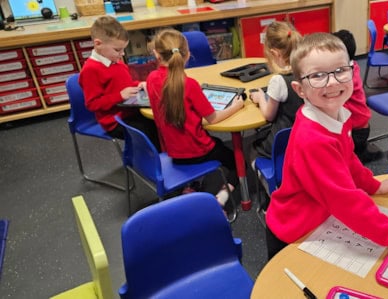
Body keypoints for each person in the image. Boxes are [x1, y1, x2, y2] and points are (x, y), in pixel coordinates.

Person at [265, 32, 388, 259]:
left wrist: (371, 185)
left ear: (353, 70)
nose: (332, 82)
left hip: (320, 219)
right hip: (294, 232)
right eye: (318, 75)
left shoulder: (338, 114)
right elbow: (346, 202)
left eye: (340, 71)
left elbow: (348, 159)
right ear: (300, 90)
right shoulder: (314, 140)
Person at [145, 29, 243, 207]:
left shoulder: (151, 79)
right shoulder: (189, 85)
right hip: (199, 151)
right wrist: (236, 106)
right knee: (237, 161)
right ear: (187, 54)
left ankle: (190, 185)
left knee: (211, 147)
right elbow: (212, 118)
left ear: (156, 54)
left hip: (172, 152)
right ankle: (221, 198)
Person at [79, 16, 160, 150]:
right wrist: (120, 96)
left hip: (130, 109)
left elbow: (125, 84)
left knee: (161, 121)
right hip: (114, 121)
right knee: (148, 132)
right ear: (98, 44)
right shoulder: (90, 70)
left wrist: (138, 84)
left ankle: (166, 156)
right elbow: (92, 104)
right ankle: (153, 163)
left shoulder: (114, 59)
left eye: (123, 49)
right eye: (117, 50)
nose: (122, 54)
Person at [248, 21, 303, 161]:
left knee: (251, 150)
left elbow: (269, 116)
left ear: (274, 53)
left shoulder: (278, 81)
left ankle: (266, 180)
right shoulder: (305, 70)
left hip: (286, 140)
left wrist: (260, 97)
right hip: (304, 134)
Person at [332, 29, 382, 163]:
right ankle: (362, 151)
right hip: (359, 125)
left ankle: (361, 153)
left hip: (357, 131)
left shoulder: (345, 79)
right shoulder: (353, 66)